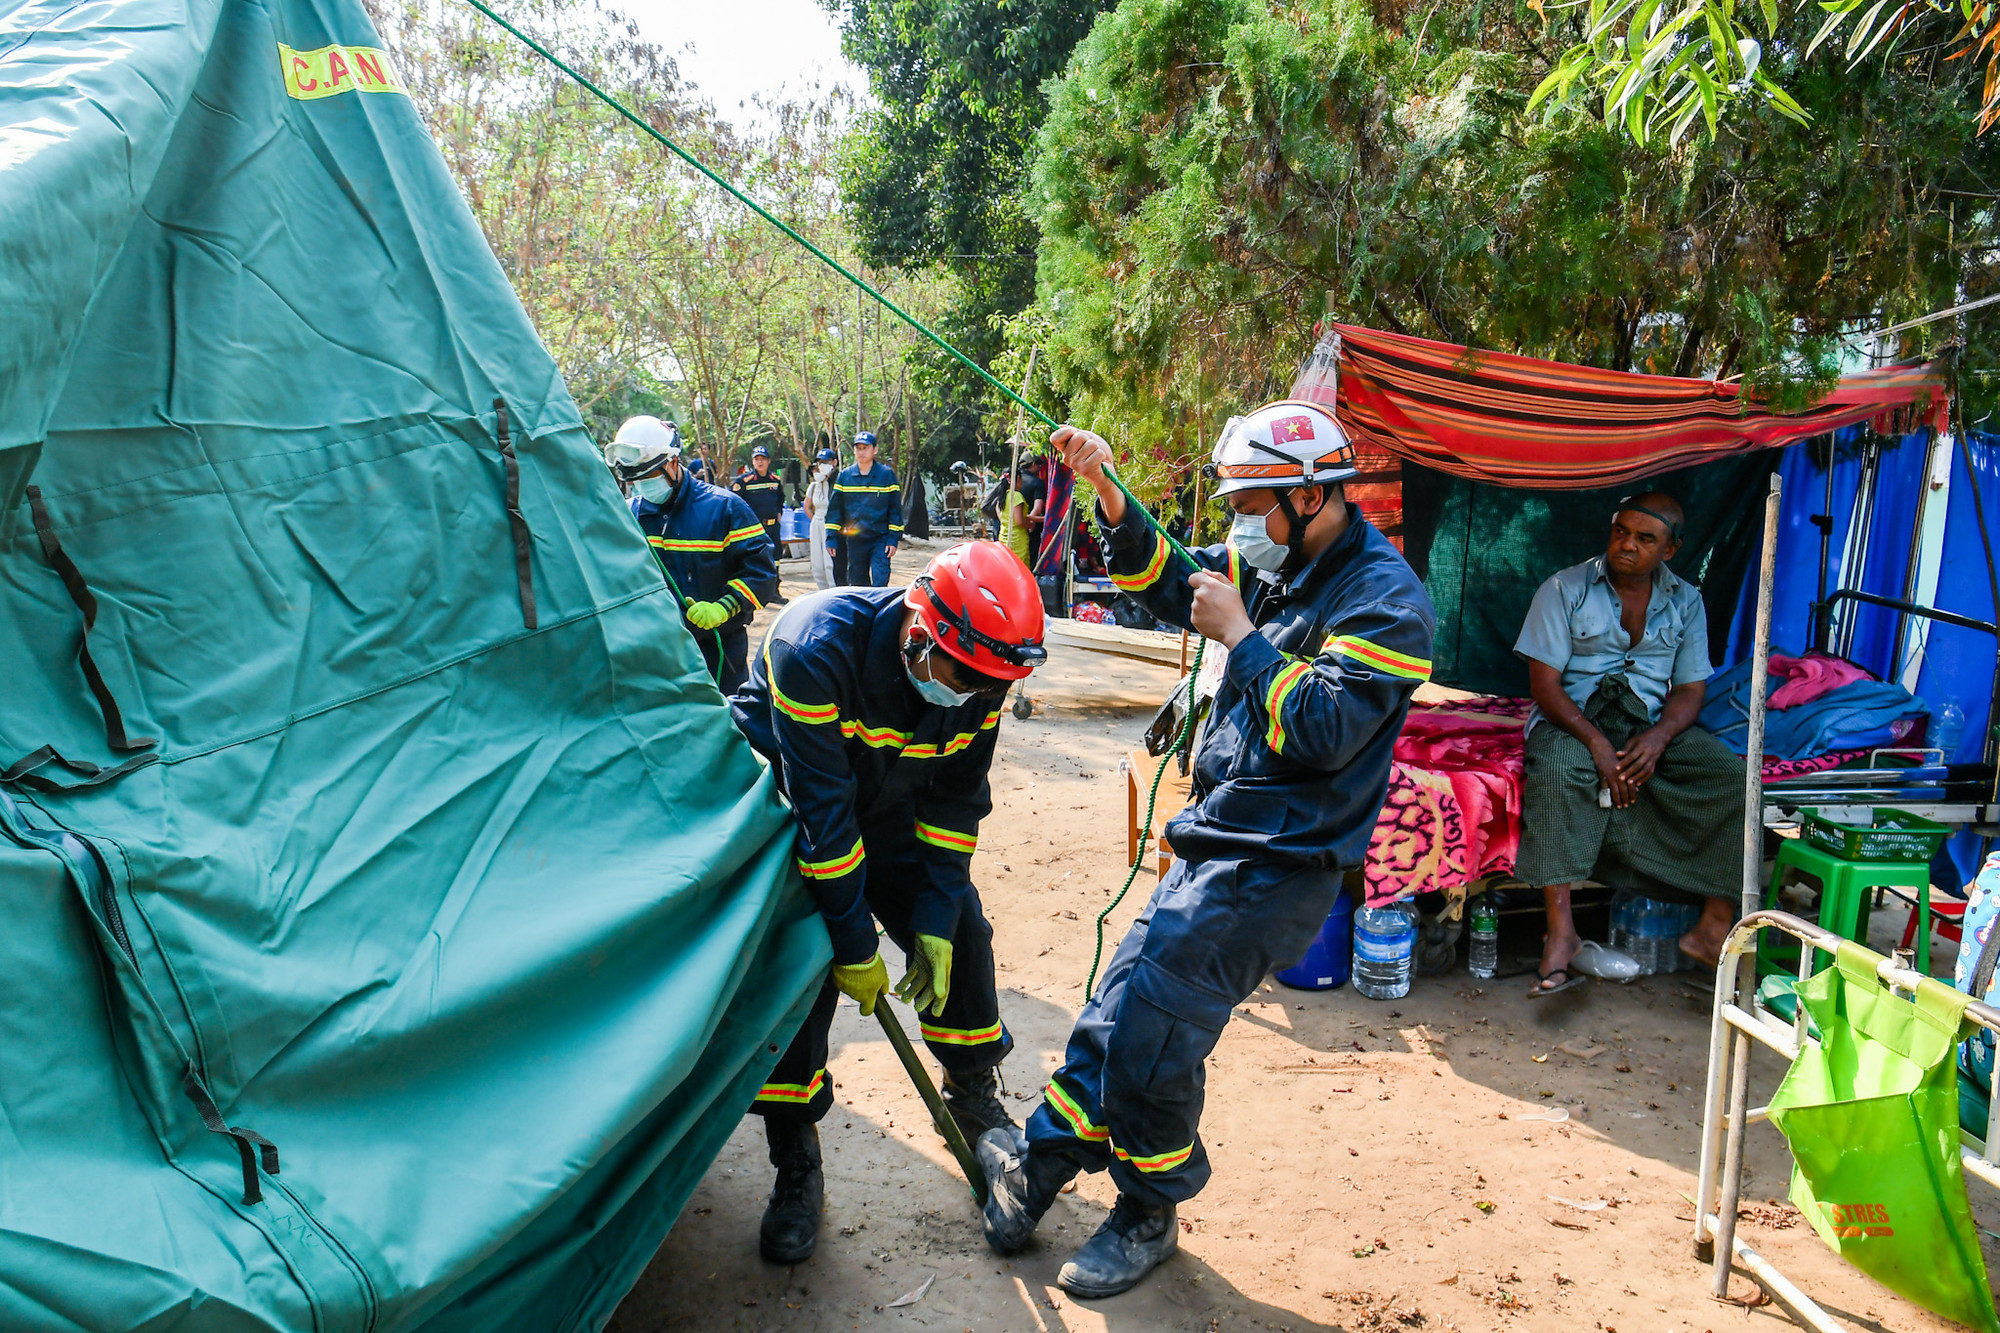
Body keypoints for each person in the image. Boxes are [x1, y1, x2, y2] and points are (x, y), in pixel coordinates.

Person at [979, 401, 1436, 1299]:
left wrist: (1242, 636)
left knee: (1153, 1038)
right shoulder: (1279, 559)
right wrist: (1107, 489)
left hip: (1281, 864)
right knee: (1115, 1011)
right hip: (1215, 835)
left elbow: (1323, 728)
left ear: (1310, 497)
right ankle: (1040, 1160)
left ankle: (1148, 1210)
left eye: (1251, 503)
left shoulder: (1388, 602)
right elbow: (1172, 581)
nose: (1238, 525)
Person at [729, 542, 1049, 1265]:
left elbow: (955, 800)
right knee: (801, 965)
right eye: (962, 676)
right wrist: (854, 946)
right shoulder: (813, 648)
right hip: (789, 809)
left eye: (986, 684)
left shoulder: (984, 669)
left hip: (887, 800)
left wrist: (933, 919)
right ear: (917, 625)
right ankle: (796, 1161)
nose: (971, 693)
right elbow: (825, 823)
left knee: (963, 927)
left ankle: (973, 1102)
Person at [1513, 493, 1742, 995]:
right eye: (1621, 532)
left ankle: (1713, 925)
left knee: (1732, 779)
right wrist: (1595, 743)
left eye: (1645, 539)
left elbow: (1689, 690)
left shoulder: (1686, 600)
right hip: (1572, 721)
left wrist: (1659, 739)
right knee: (1556, 770)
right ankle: (1561, 933)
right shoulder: (1564, 588)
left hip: (1648, 724)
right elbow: (1545, 687)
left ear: (1672, 549)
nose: (1627, 546)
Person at [605, 415, 777, 694]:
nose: (642, 487)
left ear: (672, 462)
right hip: (654, 651)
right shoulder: (629, 514)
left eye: (648, 477)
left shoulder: (724, 509)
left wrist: (724, 607)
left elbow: (761, 572)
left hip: (717, 651)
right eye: (634, 481)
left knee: (723, 722)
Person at [824, 431, 902, 587]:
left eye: (865, 448)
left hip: (880, 538)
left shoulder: (886, 475)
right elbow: (835, 511)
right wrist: (831, 538)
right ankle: (863, 612)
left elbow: (895, 510)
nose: (861, 452)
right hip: (855, 540)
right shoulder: (845, 477)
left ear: (875, 450)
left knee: (880, 580)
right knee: (858, 583)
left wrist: (893, 538)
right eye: (858, 448)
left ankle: (880, 611)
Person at [733, 444, 787, 549]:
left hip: (773, 527)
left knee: (775, 557)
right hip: (753, 527)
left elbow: (780, 497)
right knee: (757, 557)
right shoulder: (745, 481)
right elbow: (734, 500)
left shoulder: (775, 480)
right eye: (757, 459)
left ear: (769, 461)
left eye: (763, 459)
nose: (760, 462)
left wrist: (779, 512)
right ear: (753, 462)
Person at [804, 446, 839, 590]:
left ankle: (834, 590)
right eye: (819, 463)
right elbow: (807, 506)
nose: (821, 465)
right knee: (817, 563)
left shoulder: (838, 482)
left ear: (834, 463)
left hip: (831, 524)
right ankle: (822, 590)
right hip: (817, 523)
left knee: (829, 562)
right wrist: (815, 520)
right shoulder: (814, 486)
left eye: (825, 462)